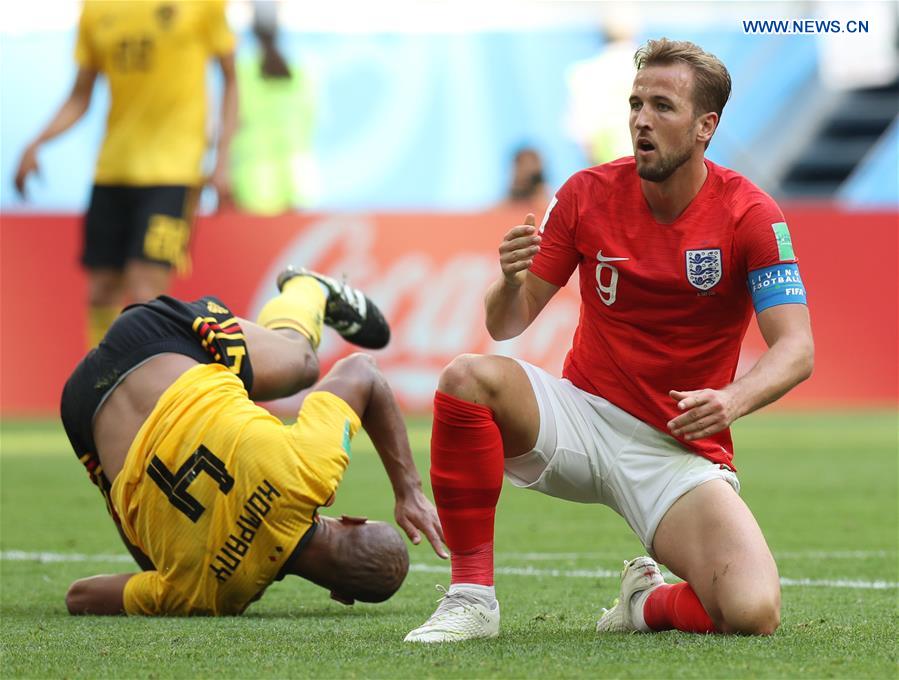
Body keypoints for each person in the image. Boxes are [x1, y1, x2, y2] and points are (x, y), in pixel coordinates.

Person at [404, 38, 814, 642]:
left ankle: (645, 604)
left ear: (705, 127)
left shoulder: (749, 214)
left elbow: (797, 349)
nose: (642, 120)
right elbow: (506, 324)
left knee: (751, 612)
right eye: (635, 103)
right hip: (583, 418)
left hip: (675, 447)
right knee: (467, 378)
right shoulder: (585, 193)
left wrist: (730, 401)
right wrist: (508, 282)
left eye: (662, 107)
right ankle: (471, 599)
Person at [61, 267, 447, 616]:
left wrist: (409, 491)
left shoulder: (311, 471)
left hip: (157, 338)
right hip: (83, 411)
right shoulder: (206, 596)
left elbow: (362, 370)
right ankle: (307, 290)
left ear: (351, 520)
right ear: (339, 594)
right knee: (155, 558)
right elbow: (79, 596)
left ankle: (307, 288)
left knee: (303, 364)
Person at [14, 0, 238, 349]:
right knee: (101, 289)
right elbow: (80, 95)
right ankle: (104, 378)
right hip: (113, 169)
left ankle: (147, 377)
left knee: (146, 287)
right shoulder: (95, 9)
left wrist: (222, 161)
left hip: (174, 170)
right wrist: (37, 143)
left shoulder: (201, 4)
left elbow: (231, 78)